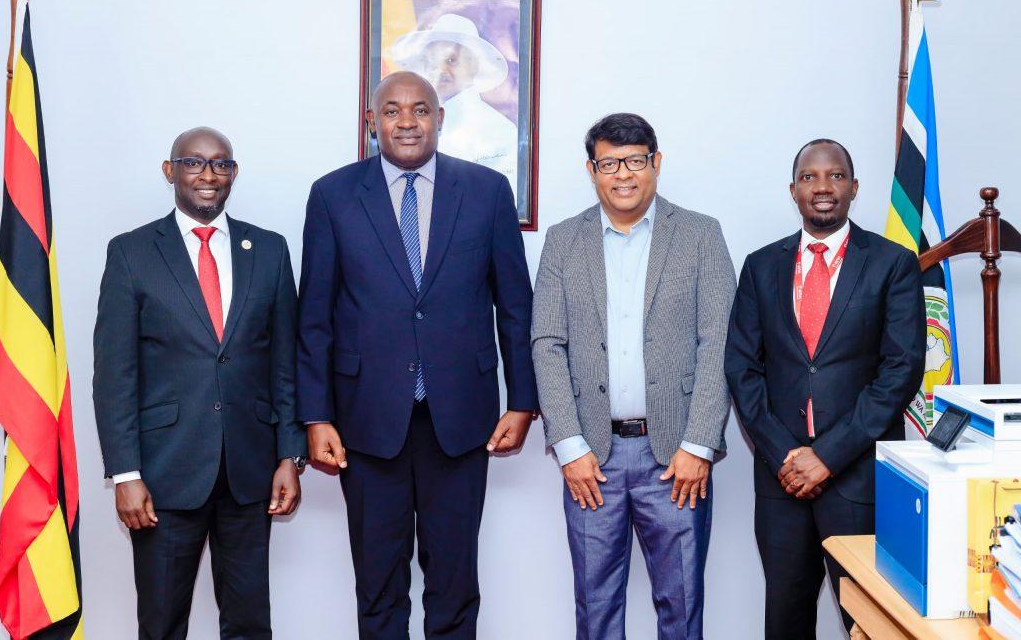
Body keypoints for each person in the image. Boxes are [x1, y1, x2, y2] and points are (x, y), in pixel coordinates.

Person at [297, 71, 538, 638]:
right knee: (378, 585)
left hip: (461, 421)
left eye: (421, 109)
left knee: (454, 583)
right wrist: (316, 415)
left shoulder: (486, 191)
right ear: (372, 121)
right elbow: (315, 317)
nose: (407, 121)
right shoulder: (332, 194)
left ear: (440, 118)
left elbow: (515, 305)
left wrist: (523, 400)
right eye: (393, 110)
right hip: (365, 421)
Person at [93, 127, 306, 639]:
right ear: (170, 171)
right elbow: (114, 373)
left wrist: (289, 455)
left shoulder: (270, 250)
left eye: (220, 164)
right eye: (193, 163)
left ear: (234, 173)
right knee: (163, 623)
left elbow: (284, 364)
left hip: (250, 473)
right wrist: (125, 475)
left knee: (250, 622)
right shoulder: (131, 253)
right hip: (163, 476)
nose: (208, 175)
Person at [531, 113, 736, 638]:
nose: (623, 174)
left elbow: (719, 344)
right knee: (595, 609)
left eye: (636, 161)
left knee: (681, 607)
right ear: (592, 170)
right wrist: (569, 446)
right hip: (591, 459)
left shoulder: (700, 235)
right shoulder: (562, 241)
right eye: (609, 163)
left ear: (656, 164)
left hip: (674, 459)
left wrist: (699, 445)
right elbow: (547, 343)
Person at [724, 139, 926, 639]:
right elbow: (742, 368)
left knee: (873, 624)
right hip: (781, 482)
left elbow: (900, 371)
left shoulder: (892, 263)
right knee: (786, 621)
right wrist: (786, 456)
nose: (822, 187)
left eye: (835, 176)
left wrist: (828, 456)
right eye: (810, 177)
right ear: (793, 190)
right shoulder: (760, 266)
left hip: (858, 481)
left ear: (854, 188)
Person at [389, 13, 519, 198]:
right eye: (433, 62)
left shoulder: (500, 130)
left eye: (451, 60)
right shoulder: (408, 128)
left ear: (474, 65)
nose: (441, 70)